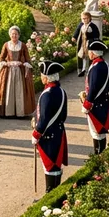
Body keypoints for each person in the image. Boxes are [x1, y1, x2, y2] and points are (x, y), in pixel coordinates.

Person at [33, 60, 68, 194]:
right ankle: (56, 192)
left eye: (42, 75)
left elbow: (44, 118)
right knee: (56, 165)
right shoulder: (61, 91)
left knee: (49, 166)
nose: (41, 77)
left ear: (47, 78)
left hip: (48, 135)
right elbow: (63, 115)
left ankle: (50, 193)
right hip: (58, 132)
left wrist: (36, 133)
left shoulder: (47, 94)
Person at [0, 26, 35, 118]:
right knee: (9, 90)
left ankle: (20, 112)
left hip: (19, 71)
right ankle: (9, 112)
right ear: (10, 35)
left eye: (16, 34)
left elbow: (28, 59)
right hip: (8, 71)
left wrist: (24, 64)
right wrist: (5, 63)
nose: (14, 36)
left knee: (19, 90)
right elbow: (1, 58)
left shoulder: (23, 45)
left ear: (19, 35)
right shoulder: (6, 45)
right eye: (12, 34)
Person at [79, 39, 109, 155]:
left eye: (89, 51)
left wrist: (87, 103)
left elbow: (94, 88)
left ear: (93, 53)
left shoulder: (96, 67)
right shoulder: (104, 64)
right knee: (99, 132)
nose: (88, 53)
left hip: (96, 104)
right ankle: (100, 154)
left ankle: (98, 156)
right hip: (103, 101)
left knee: (96, 132)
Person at [73, 11, 100, 76]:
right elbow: (77, 31)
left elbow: (97, 34)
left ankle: (89, 69)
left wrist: (92, 35)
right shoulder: (81, 25)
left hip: (89, 43)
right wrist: (74, 36)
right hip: (82, 43)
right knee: (81, 55)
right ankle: (81, 69)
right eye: (83, 18)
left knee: (89, 56)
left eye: (86, 18)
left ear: (89, 18)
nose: (84, 20)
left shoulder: (92, 26)